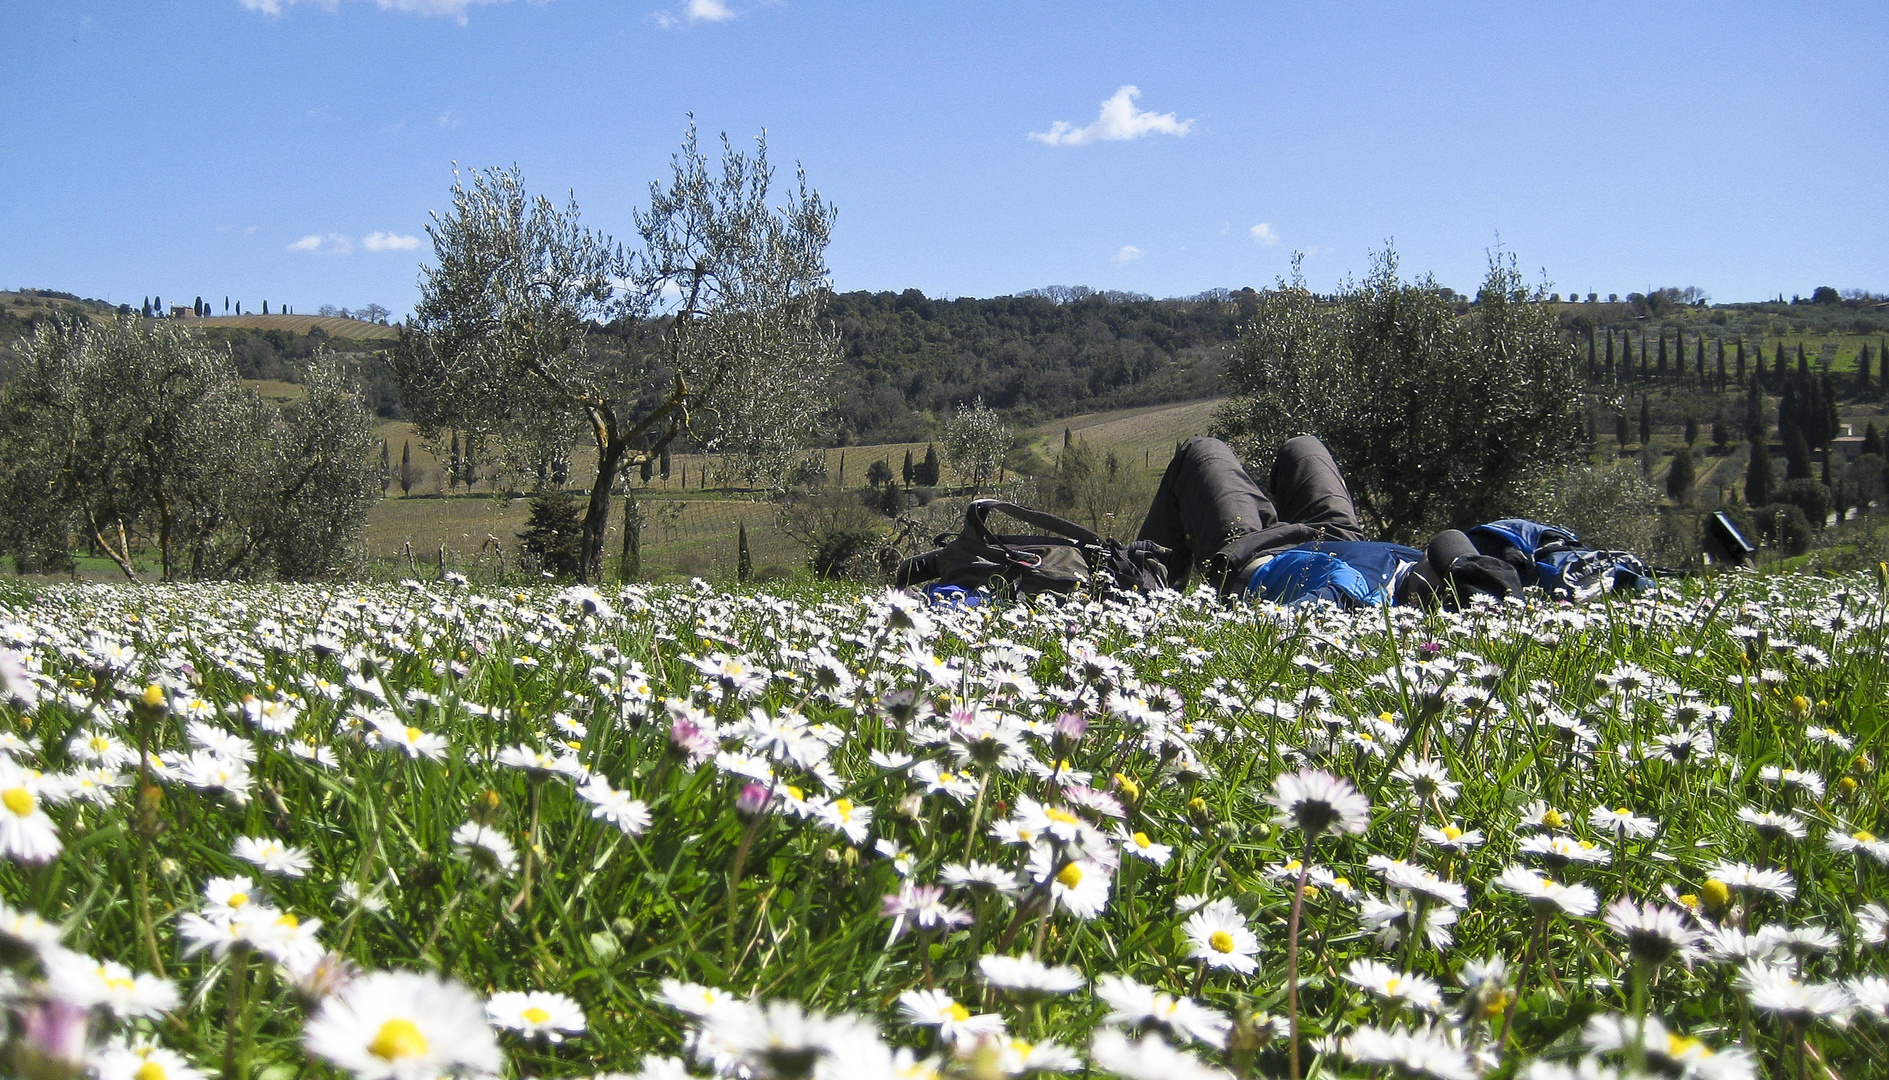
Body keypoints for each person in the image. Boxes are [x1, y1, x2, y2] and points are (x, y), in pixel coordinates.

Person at [1137, 436, 1651, 607]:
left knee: (1204, 454)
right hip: (1335, 537)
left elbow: (1306, 621)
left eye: (1436, 564)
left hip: (1255, 554)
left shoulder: (1361, 600)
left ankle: (1139, 592)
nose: (1435, 553)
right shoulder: (1470, 573)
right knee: (1304, 448)